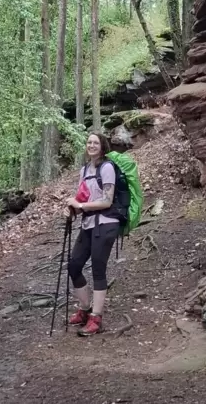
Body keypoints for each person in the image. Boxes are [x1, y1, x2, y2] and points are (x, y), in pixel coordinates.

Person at [65, 132, 120, 336]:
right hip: (89, 224)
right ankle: (85, 308)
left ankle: (96, 318)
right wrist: (74, 209)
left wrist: (80, 205)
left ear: (102, 146)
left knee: (98, 268)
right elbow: (84, 197)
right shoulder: (84, 170)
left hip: (106, 224)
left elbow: (107, 201)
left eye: (95, 142)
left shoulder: (107, 168)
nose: (91, 145)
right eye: (89, 142)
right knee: (74, 265)